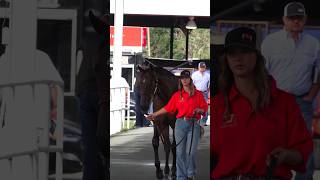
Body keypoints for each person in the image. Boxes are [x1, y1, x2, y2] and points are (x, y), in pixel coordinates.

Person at [211, 27, 313, 180]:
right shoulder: (218, 104)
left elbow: (302, 150)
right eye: (232, 53)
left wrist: (287, 155)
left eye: (244, 51)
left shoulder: (284, 102)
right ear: (226, 59)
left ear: (256, 56)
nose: (238, 58)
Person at [261, 2, 320, 179]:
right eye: (291, 18)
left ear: (305, 20)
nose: (295, 21)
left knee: (305, 144)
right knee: (271, 140)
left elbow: (318, 72)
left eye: (299, 18)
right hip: (275, 101)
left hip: (302, 101)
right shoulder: (270, 42)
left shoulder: (314, 44)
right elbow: (262, 74)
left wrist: (311, 95)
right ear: (284, 20)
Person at [146, 70, 208, 180]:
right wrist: (154, 114)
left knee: (191, 152)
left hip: (193, 124)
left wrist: (200, 110)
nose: (184, 80)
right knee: (180, 153)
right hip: (180, 124)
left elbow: (205, 108)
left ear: (190, 79)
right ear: (180, 80)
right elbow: (168, 108)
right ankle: (181, 177)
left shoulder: (198, 94)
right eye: (182, 78)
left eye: (186, 78)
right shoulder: (177, 96)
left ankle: (190, 173)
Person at [191, 62, 210, 126]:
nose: (202, 69)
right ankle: (195, 120)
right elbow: (192, 84)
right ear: (198, 68)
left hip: (204, 93)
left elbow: (209, 85)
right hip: (196, 93)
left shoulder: (208, 75)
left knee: (205, 107)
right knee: (195, 106)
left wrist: (208, 92)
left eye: (203, 67)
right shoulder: (194, 75)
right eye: (201, 67)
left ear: (205, 67)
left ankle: (204, 121)